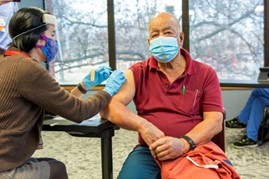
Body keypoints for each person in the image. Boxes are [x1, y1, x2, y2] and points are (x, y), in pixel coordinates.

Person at [101, 12, 239, 178]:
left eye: (167, 33)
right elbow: (110, 107)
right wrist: (144, 126)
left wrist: (183, 143)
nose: (161, 39)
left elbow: (215, 121)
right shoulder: (138, 72)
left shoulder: (205, 73)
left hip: (194, 147)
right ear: (149, 42)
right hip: (150, 151)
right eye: (155, 34)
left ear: (180, 38)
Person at [0, 7, 126, 179]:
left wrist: (84, 85)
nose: (55, 41)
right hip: (4, 167)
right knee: (57, 170)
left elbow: (57, 105)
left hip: (5, 158)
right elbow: (79, 112)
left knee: (52, 165)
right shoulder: (27, 68)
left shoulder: (8, 61)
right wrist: (108, 90)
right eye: (52, 35)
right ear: (38, 39)